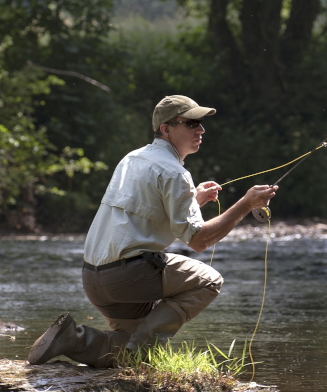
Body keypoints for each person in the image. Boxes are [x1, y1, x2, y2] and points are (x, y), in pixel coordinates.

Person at [27, 94, 277, 368]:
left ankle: (73, 339)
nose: (201, 130)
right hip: (127, 278)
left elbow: (144, 212)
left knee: (129, 356)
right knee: (209, 280)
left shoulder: (132, 158)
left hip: (93, 279)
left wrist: (193, 199)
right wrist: (245, 204)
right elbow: (198, 241)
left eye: (201, 124)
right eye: (191, 123)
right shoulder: (174, 173)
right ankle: (139, 349)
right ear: (166, 128)